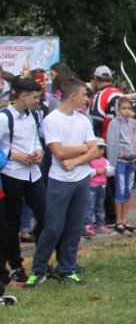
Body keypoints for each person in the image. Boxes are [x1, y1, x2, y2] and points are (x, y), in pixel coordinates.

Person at [25, 77, 99, 287]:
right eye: (84, 95)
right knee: (53, 226)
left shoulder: (83, 120)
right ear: (73, 96)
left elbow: (94, 150)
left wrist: (76, 159)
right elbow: (58, 151)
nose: (87, 99)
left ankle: (67, 268)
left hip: (81, 178)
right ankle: (38, 270)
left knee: (74, 227)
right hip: (60, 181)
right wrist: (84, 148)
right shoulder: (52, 120)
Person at [0, 77, 46, 285]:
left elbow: (36, 139)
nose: (37, 101)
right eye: (35, 97)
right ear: (22, 96)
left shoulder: (33, 115)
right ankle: (16, 265)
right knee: (12, 222)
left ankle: (41, 261)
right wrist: (14, 155)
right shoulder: (4, 117)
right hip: (12, 173)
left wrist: (39, 152)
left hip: (32, 172)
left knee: (45, 213)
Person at [105, 96, 136, 234]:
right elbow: (112, 145)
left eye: (129, 108)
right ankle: (118, 220)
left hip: (131, 160)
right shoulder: (114, 124)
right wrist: (112, 166)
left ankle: (125, 219)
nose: (127, 111)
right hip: (120, 161)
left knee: (128, 191)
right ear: (118, 110)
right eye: (123, 108)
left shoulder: (133, 123)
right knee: (119, 191)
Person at [83, 139, 112, 236]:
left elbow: (110, 171)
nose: (100, 151)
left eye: (102, 149)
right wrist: (96, 171)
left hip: (102, 186)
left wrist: (106, 170)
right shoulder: (89, 161)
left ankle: (100, 224)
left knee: (100, 206)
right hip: (92, 186)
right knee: (90, 206)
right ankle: (87, 224)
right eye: (98, 149)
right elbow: (86, 172)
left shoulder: (105, 161)